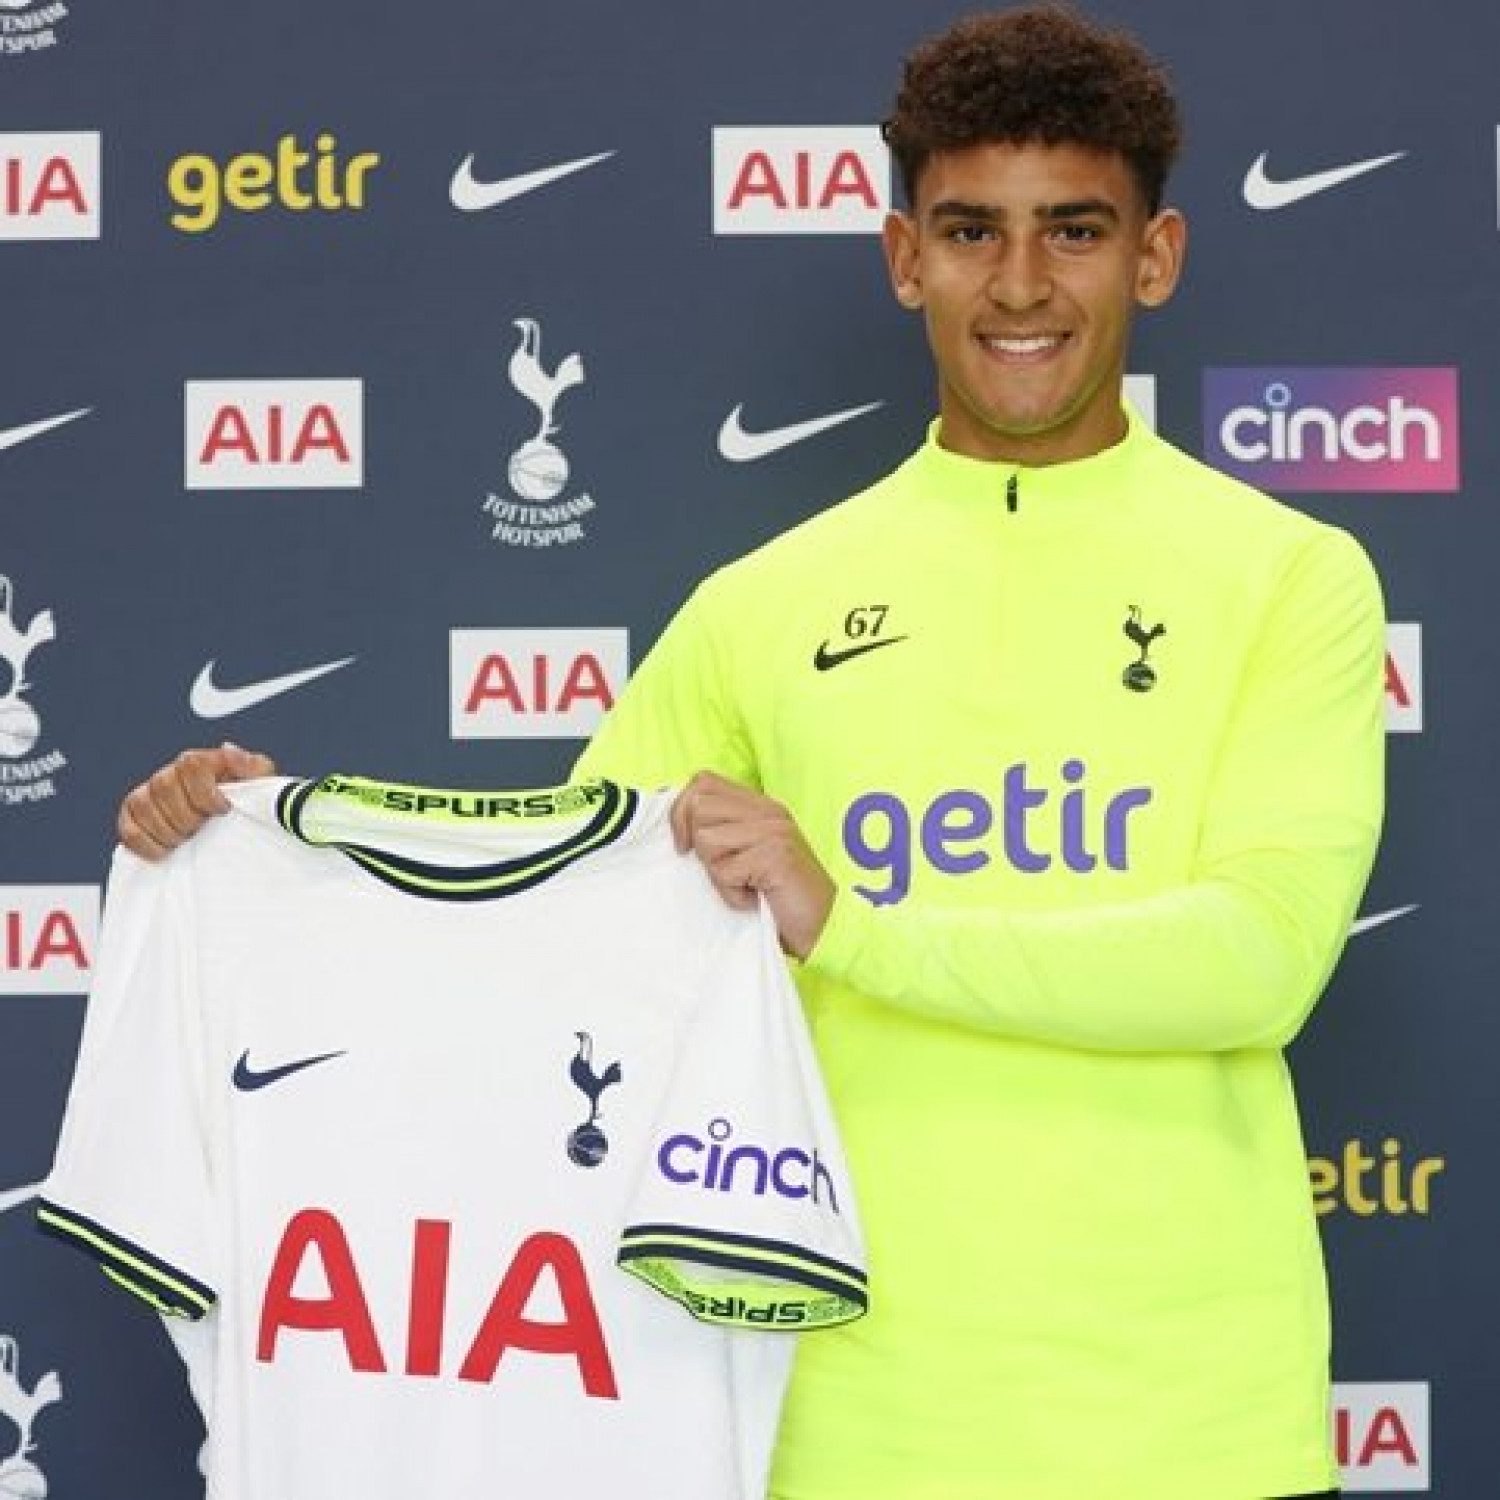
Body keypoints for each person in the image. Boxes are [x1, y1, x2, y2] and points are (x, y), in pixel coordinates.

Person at [117, 7, 1382, 1497]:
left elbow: (1256, 961)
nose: (1021, 284)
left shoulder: (1290, 576)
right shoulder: (762, 605)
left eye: (1075, 230)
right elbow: (550, 933)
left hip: (1193, 1429)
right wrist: (275, 847)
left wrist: (852, 928)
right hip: (829, 1425)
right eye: (971, 230)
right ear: (905, 257)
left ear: (1153, 257)